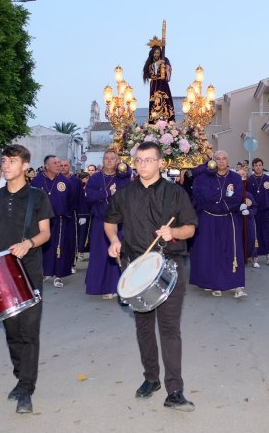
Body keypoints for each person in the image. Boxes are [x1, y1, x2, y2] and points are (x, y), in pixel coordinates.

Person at [104, 141, 198, 412]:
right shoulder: (124, 194)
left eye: (148, 160)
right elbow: (110, 222)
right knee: (143, 328)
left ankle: (175, 390)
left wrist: (174, 233)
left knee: (169, 329)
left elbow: (190, 228)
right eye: (139, 160)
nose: (143, 164)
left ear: (160, 163)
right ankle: (150, 379)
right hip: (136, 266)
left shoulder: (176, 193)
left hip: (169, 265)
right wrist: (113, 240)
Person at [0, 144, 53, 414]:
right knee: (12, 329)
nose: (6, 165)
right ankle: (21, 375)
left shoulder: (37, 197)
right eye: (3, 160)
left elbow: (45, 233)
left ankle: (27, 386)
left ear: (25, 165)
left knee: (29, 329)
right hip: (1, 270)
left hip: (29, 268)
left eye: (12, 161)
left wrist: (28, 243)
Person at [189, 150, 247, 298]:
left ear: (228, 161)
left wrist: (219, 204)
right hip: (209, 219)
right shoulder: (205, 177)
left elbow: (237, 197)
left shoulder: (235, 177)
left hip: (228, 218)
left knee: (231, 251)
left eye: (224, 158)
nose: (221, 161)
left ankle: (236, 284)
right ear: (213, 161)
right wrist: (216, 203)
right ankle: (214, 283)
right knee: (212, 252)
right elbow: (201, 195)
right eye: (218, 159)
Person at [84, 150, 131, 298]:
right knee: (100, 255)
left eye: (112, 158)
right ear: (102, 160)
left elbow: (128, 176)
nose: (109, 161)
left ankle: (117, 287)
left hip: (119, 222)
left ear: (117, 161)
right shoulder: (95, 177)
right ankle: (100, 287)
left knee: (118, 253)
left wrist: (124, 167)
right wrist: (105, 193)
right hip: (100, 221)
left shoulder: (122, 177)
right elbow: (89, 196)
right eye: (106, 158)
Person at [31, 155, 78, 287]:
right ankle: (45, 272)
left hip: (60, 220)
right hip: (41, 221)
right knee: (44, 248)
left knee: (59, 247)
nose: (58, 165)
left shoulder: (65, 181)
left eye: (59, 163)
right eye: (55, 163)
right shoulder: (36, 181)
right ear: (46, 166)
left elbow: (71, 201)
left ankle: (58, 275)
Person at [246, 158, 269, 266]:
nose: (258, 167)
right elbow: (247, 197)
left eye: (260, 165)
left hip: (265, 210)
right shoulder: (249, 180)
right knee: (255, 233)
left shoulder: (268, 179)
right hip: (254, 211)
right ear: (253, 167)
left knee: (266, 233)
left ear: (262, 166)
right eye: (256, 165)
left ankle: (268, 255)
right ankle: (255, 255)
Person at [142, 40, 175, 123]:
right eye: (155, 53)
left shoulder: (165, 59)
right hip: (155, 85)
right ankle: (154, 119)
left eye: (158, 52)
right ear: (152, 53)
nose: (157, 54)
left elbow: (169, 70)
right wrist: (156, 64)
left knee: (166, 100)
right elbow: (149, 73)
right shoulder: (151, 62)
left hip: (163, 84)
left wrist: (166, 67)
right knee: (155, 101)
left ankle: (168, 118)